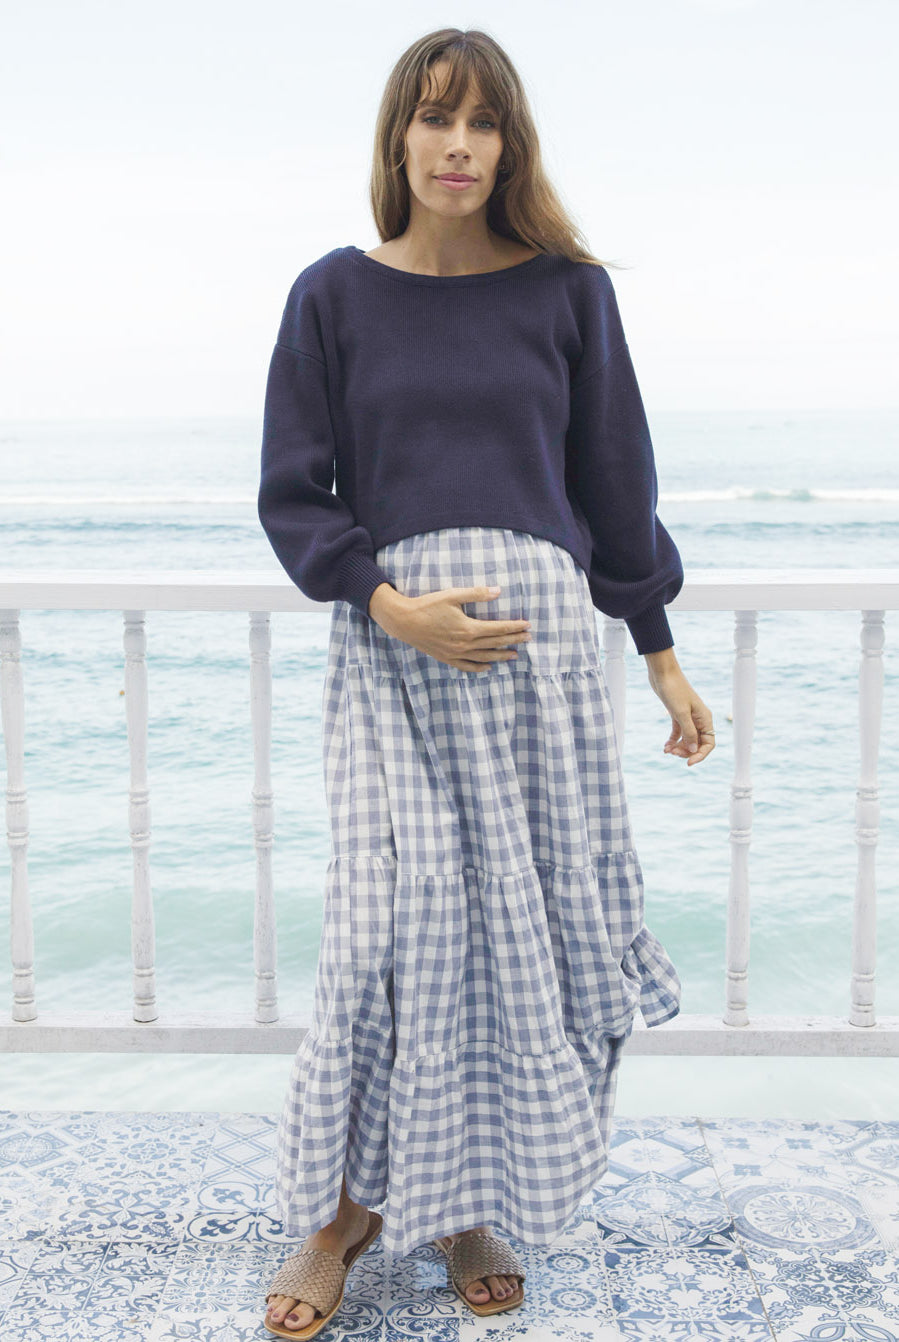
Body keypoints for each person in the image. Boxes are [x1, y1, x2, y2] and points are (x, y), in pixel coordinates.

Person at [257, 26, 715, 1337]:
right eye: (435, 117)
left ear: (510, 144)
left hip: (542, 669)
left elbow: (616, 481)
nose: (458, 144)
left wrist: (661, 653)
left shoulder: (568, 293)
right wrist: (392, 605)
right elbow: (294, 492)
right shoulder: (332, 296)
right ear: (398, 135)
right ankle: (342, 1215)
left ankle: (468, 1204)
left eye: (483, 121)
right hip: (396, 656)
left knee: (515, 942)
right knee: (386, 933)